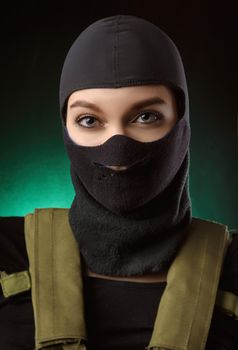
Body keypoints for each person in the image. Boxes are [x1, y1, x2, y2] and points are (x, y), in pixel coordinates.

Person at [0, 14, 238, 350]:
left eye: (146, 116)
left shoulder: (232, 269)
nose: (117, 144)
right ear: (66, 130)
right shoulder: (6, 254)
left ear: (182, 127)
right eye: (89, 119)